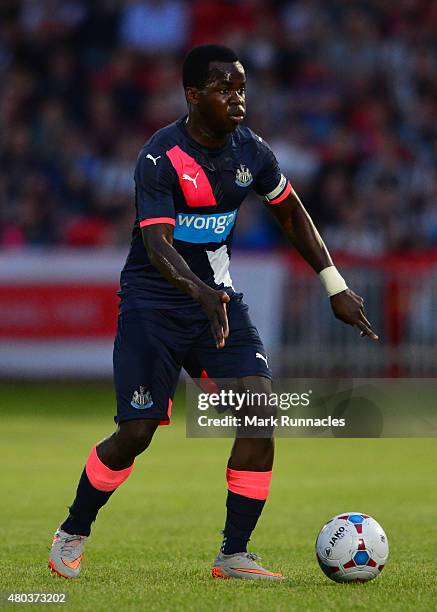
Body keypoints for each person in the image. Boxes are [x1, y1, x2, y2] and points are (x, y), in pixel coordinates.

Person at [48, 44, 378, 581]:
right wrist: (198, 291)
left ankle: (234, 554)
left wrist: (333, 282)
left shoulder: (253, 152)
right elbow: (156, 244)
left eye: (242, 88)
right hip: (152, 305)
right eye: (224, 89)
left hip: (217, 302)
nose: (236, 98)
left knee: (259, 412)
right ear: (194, 95)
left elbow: (293, 215)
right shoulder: (160, 156)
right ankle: (74, 529)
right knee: (135, 434)